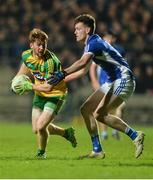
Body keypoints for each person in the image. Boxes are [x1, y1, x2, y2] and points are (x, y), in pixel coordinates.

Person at [47, 14, 145, 159]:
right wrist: (61, 80)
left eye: (78, 29)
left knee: (100, 114)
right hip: (112, 80)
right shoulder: (90, 43)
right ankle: (97, 150)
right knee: (86, 110)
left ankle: (135, 135)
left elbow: (81, 63)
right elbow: (83, 71)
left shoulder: (94, 42)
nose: (75, 32)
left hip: (123, 78)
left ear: (87, 30)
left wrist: (62, 73)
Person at [11, 28, 77, 158]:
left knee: (41, 126)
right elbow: (25, 67)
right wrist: (16, 82)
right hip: (40, 94)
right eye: (38, 45)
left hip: (55, 94)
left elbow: (48, 88)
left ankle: (41, 153)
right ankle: (66, 133)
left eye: (44, 45)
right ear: (31, 45)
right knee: (36, 129)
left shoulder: (50, 62)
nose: (41, 48)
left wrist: (28, 85)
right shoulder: (26, 55)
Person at [89, 30, 126, 140]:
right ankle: (106, 133)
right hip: (104, 84)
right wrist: (94, 82)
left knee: (119, 107)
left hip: (117, 83)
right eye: (105, 38)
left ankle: (114, 130)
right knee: (103, 109)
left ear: (113, 39)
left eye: (109, 38)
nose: (107, 40)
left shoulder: (119, 50)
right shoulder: (98, 50)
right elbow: (92, 67)